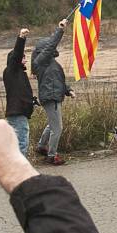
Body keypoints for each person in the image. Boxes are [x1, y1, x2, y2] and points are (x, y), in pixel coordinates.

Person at [32, 20, 75, 166]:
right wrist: (60, 30)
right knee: (58, 128)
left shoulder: (52, 63)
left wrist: (68, 90)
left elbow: (59, 80)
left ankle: (41, 146)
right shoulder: (40, 61)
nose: (54, 49)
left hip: (54, 96)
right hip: (50, 97)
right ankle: (52, 155)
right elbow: (51, 45)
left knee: (52, 125)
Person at [2, 28, 36, 155]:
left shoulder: (20, 73)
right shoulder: (12, 70)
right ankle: (22, 171)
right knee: (22, 141)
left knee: (15, 142)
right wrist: (21, 38)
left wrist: (33, 101)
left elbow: (23, 92)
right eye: (23, 58)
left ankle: (12, 168)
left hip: (20, 111)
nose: (26, 60)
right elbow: (16, 54)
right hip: (17, 112)